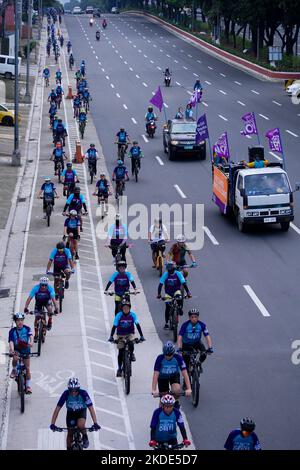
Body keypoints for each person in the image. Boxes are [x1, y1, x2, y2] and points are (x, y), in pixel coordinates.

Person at [50, 377, 101, 450]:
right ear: (68, 389)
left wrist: (95, 423)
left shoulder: (83, 393)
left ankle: (84, 436)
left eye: (75, 390)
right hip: (71, 413)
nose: (73, 392)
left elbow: (91, 408)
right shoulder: (66, 394)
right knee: (70, 433)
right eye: (71, 390)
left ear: (78, 389)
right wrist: (52, 423)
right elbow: (57, 409)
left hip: (81, 411)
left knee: (80, 425)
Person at [108, 299, 145, 376]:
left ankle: (131, 354)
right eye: (124, 308)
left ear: (130, 308)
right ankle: (119, 368)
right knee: (120, 352)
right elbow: (114, 326)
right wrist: (111, 336)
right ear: (122, 309)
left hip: (129, 334)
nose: (126, 309)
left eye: (127, 308)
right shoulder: (119, 315)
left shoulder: (133, 315)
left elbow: (138, 325)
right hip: (120, 335)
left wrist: (142, 336)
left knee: (131, 343)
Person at [152, 342, 192, 406]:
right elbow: (156, 374)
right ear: (163, 353)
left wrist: (189, 388)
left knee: (176, 391)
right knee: (163, 400)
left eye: (170, 355)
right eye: (166, 355)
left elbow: (185, 373)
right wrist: (153, 390)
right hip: (162, 378)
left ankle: (176, 402)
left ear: (173, 353)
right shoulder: (159, 358)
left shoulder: (178, 358)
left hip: (174, 376)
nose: (168, 357)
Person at [178, 308, 213, 374]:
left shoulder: (202, 325)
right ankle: (186, 380)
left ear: (198, 317)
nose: (194, 318)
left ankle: (199, 363)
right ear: (189, 317)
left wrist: (210, 347)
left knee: (204, 354)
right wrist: (180, 348)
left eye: (195, 317)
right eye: (192, 317)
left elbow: (207, 336)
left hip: (197, 343)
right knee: (186, 365)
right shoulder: (185, 325)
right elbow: (180, 337)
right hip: (186, 345)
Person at [157, 261, 192, 329]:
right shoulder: (166, 274)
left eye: (171, 270)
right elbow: (160, 284)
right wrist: (159, 294)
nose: (170, 272)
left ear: (174, 269)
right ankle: (166, 323)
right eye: (168, 270)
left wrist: (188, 292)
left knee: (180, 297)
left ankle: (180, 308)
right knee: (167, 307)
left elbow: (184, 283)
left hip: (176, 291)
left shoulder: (178, 273)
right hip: (168, 293)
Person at [8, 313, 33, 394]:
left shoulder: (27, 328)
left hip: (26, 350)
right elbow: (11, 341)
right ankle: (14, 370)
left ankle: (28, 386)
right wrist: (12, 350)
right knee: (15, 357)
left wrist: (31, 342)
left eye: (22, 320)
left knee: (28, 368)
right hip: (17, 350)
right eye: (18, 320)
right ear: (15, 322)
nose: (20, 322)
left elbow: (31, 336)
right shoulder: (12, 331)